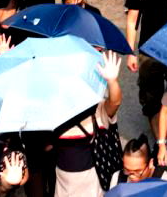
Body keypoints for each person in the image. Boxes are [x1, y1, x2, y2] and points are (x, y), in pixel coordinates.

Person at [51, 52, 123, 197]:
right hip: (63, 187)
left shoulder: (97, 111)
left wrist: (112, 81)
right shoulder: (55, 112)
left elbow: (114, 102)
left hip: (92, 189)